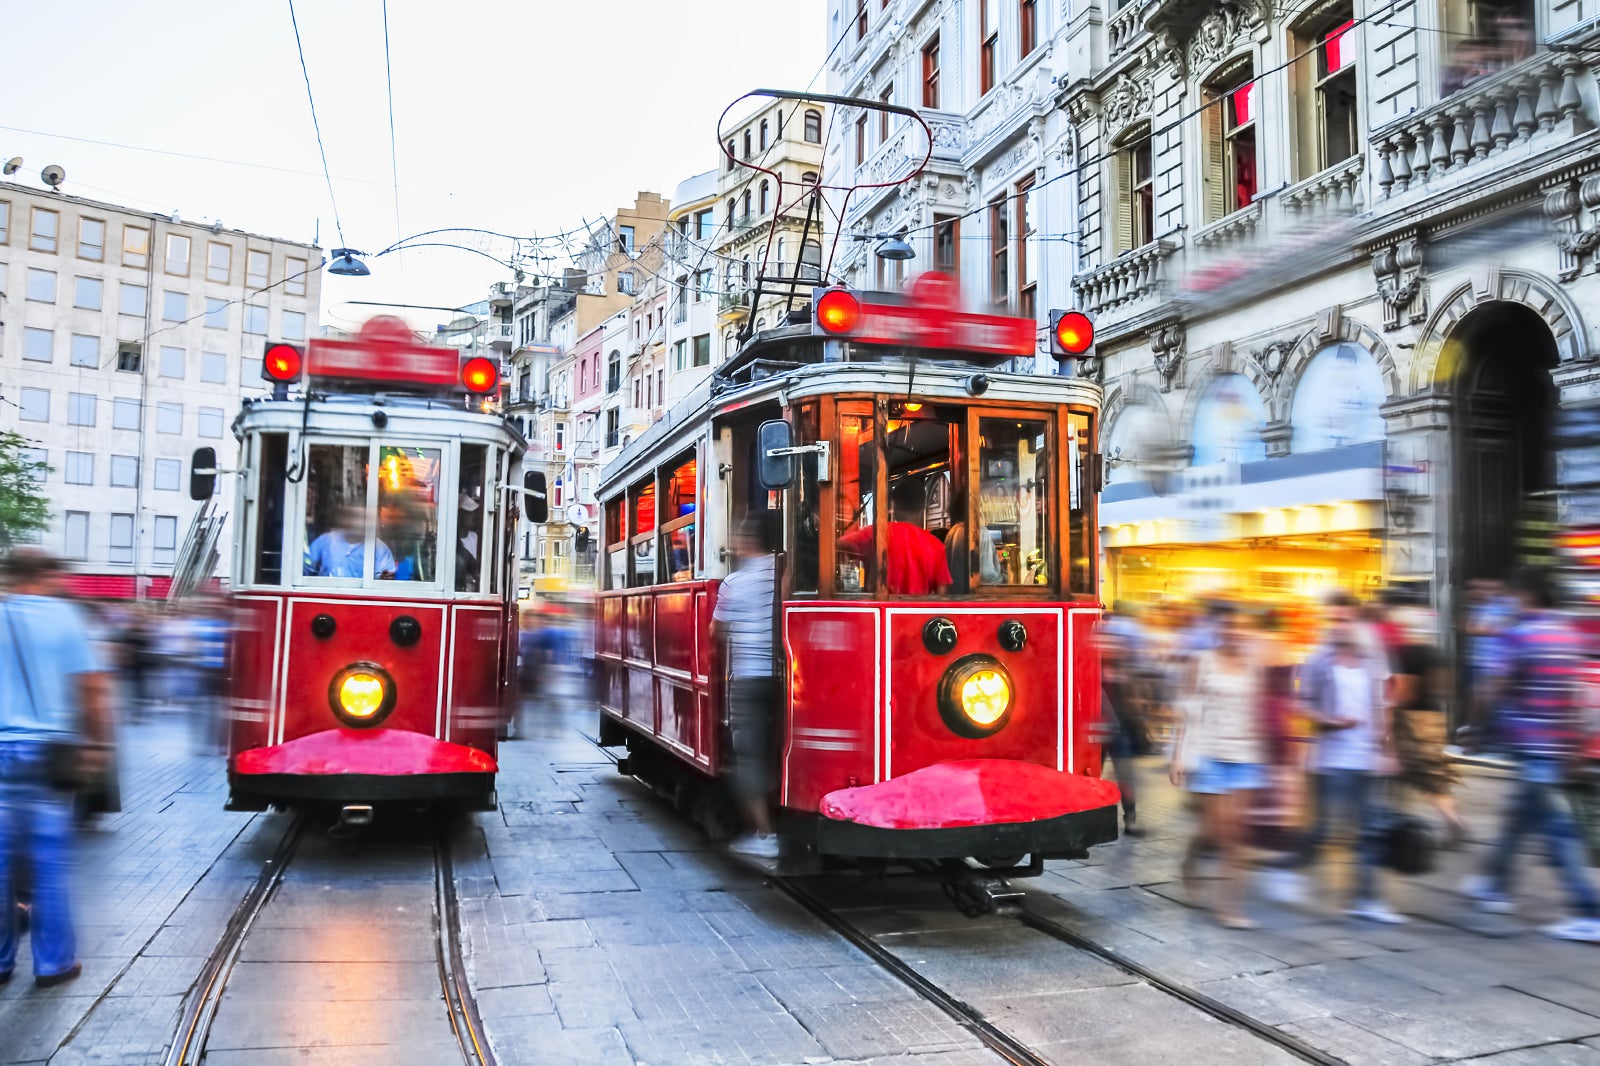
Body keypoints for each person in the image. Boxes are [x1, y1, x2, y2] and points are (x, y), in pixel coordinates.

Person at [1463, 567, 1600, 942]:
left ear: (1526, 594)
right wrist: (1575, 744)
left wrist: (1474, 729)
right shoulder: (1567, 634)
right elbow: (1577, 696)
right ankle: (1494, 885)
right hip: (1553, 746)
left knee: (1559, 832)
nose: (1508, 601)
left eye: (1513, 594)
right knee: (1516, 819)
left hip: (1531, 746)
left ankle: (1590, 910)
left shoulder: (1518, 635)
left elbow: (1491, 687)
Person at [0, 549, 114, 987]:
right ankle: (53, 963)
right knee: (48, 863)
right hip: (48, 753)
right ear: (46, 576)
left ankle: (0, 960)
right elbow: (92, 688)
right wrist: (97, 745)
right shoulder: (65, 618)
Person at [1295, 592, 1404, 924]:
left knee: (1368, 829)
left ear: (1356, 620)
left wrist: (1388, 748)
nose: (1340, 625)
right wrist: (1330, 720)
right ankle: (1286, 869)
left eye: (1346, 619)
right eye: (1335, 619)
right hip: (1330, 761)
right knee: (1323, 829)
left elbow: (1384, 703)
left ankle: (1366, 899)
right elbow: (1302, 704)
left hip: (1366, 758)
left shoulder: (1372, 657)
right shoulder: (1318, 659)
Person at [1170, 602, 1268, 929]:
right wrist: (1178, 756)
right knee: (1216, 832)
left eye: (1239, 626)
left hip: (1245, 757)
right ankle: (1192, 860)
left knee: (1236, 836)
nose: (1234, 632)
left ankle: (1230, 906)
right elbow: (1187, 711)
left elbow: (1259, 713)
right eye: (1227, 626)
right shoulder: (1202, 662)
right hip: (1208, 754)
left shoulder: (1254, 665)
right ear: (1218, 629)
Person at [713, 512, 780, 860]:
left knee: (749, 755)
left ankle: (765, 834)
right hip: (784, 679)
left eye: (738, 537)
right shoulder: (786, 575)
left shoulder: (734, 584)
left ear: (747, 541)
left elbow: (716, 632)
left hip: (749, 678)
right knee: (777, 749)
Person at [838, 480, 952, 595]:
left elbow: (838, 545)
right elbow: (942, 596)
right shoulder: (936, 546)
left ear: (895, 507)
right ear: (923, 507)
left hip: (878, 611)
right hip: (918, 613)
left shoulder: (875, 534)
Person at [304, 504, 395, 579]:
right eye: (351, 517)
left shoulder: (379, 548)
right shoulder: (326, 540)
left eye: (360, 518)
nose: (355, 522)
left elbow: (384, 579)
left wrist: (384, 578)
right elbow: (306, 568)